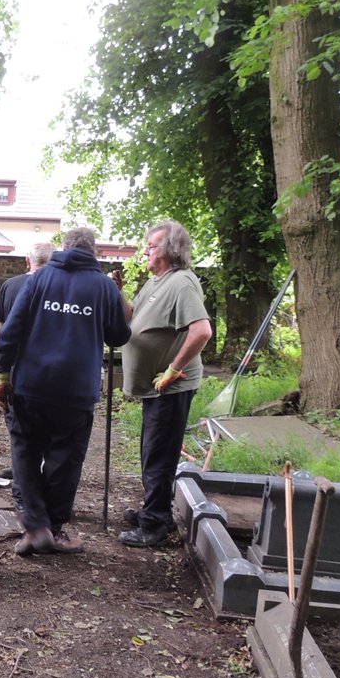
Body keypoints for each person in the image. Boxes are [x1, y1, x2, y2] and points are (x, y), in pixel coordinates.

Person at [0, 227, 131, 556]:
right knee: (65, 458)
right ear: (93, 251)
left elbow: (10, 331)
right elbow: (119, 336)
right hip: (76, 390)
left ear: (64, 248)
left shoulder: (38, 279)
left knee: (25, 451)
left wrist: (3, 376)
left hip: (32, 384)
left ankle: (36, 526)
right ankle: (52, 529)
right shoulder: (103, 286)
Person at [117, 220, 213, 549]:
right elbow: (132, 318)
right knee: (151, 451)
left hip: (171, 387)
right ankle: (156, 510)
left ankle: (155, 524)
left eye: (152, 246)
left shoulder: (182, 283)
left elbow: (202, 331)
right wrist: (118, 294)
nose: (146, 251)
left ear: (171, 250)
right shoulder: (156, 282)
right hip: (154, 388)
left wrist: (174, 369)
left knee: (159, 455)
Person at [0, 241, 55, 518]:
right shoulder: (58, 287)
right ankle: (40, 490)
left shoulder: (10, 285)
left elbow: (1, 332)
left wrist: (2, 371)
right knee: (49, 433)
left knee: (20, 433)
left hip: (16, 368)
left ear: (28, 261)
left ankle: (22, 492)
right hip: (49, 370)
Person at [0, 242, 55, 333]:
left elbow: (1, 324)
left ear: (27, 261)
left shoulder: (8, 285)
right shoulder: (59, 287)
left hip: (13, 341)